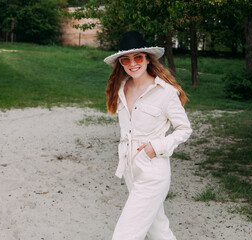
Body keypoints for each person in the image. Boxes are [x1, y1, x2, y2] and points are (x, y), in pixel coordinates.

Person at [104, 30, 192, 240]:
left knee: (125, 234)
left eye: (138, 57)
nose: (132, 63)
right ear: (121, 63)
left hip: (153, 172)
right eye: (126, 59)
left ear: (147, 59)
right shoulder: (122, 88)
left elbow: (184, 129)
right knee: (158, 230)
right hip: (129, 170)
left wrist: (156, 147)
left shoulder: (165, 92)